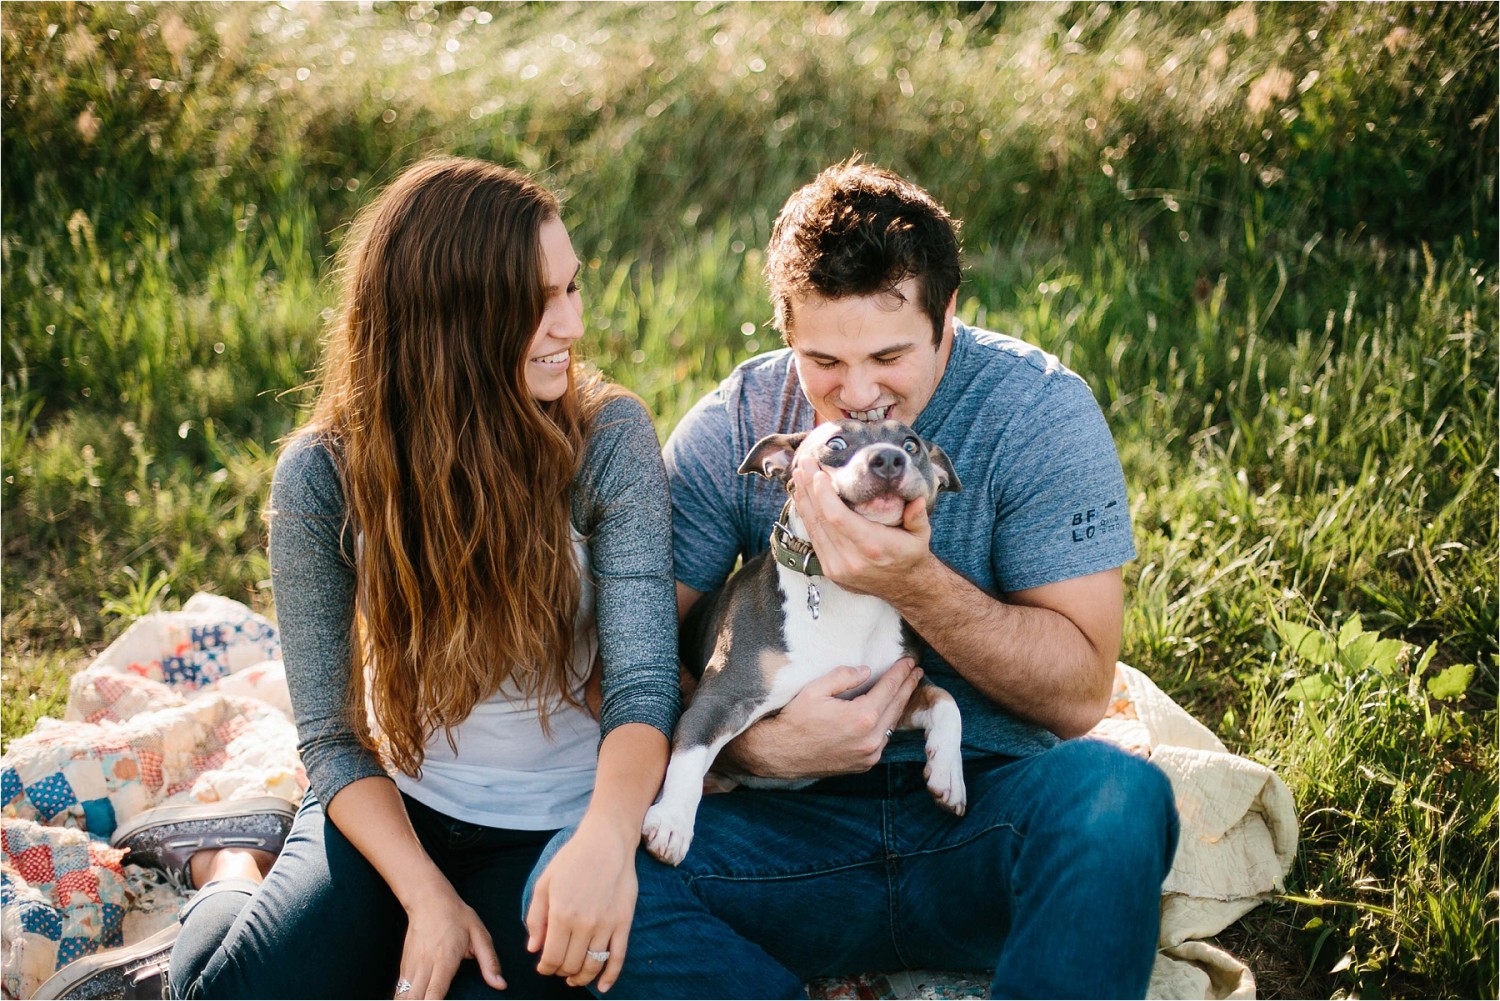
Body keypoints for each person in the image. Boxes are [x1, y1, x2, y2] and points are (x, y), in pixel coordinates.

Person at [543, 159, 1180, 999]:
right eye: (823, 360)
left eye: (889, 354)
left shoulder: (1037, 412)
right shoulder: (739, 421)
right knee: (568, 886)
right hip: (780, 833)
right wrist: (760, 745)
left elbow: (1079, 693)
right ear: (786, 334)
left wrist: (911, 582)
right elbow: (617, 668)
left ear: (946, 317)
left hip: (980, 810)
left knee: (1119, 797)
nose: (858, 394)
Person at [85, 158, 680, 1001]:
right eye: (540, 299)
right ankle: (229, 860)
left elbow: (645, 686)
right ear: (454, 319)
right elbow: (331, 736)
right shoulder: (323, 474)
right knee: (229, 992)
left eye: (572, 286)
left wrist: (606, 840)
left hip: (552, 825)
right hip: (397, 809)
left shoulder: (608, 439)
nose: (573, 322)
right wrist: (426, 895)